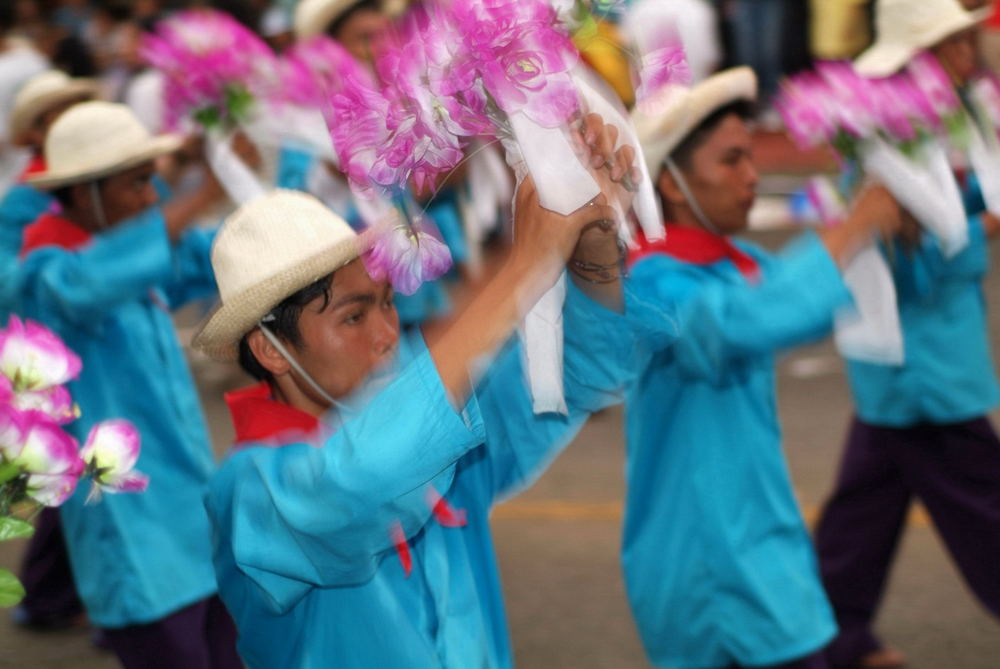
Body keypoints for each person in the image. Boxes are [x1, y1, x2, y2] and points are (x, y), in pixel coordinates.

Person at [194, 116, 655, 667]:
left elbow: (576, 371)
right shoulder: (252, 489)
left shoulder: (431, 429)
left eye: (387, 302)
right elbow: (358, 477)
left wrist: (593, 250)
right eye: (353, 316)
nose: (388, 333)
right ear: (272, 350)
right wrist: (525, 265)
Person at [622, 67, 905, 669]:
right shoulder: (650, 282)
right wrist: (854, 226)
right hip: (709, 561)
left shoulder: (733, 261)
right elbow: (749, 317)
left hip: (752, 548)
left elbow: (794, 300)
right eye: (732, 162)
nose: (753, 177)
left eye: (751, 158)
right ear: (671, 184)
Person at [9, 101, 239, 668]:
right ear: (84, 192)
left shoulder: (133, 253)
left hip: (192, 522)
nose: (150, 198)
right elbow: (85, 284)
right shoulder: (43, 276)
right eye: (138, 183)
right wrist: (203, 190)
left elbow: (216, 257)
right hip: (133, 540)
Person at [816, 1, 1000, 667]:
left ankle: (834, 630)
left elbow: (952, 205)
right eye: (949, 43)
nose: (967, 51)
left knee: (865, 506)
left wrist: (979, 204)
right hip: (922, 360)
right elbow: (912, 255)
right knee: (985, 504)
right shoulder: (888, 136)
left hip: (906, 358)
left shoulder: (934, 120)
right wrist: (984, 227)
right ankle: (832, 629)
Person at [1, 69, 96, 269]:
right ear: (36, 133)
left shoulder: (102, 172)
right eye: (64, 115)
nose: (77, 121)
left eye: (80, 110)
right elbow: (8, 277)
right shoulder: (21, 199)